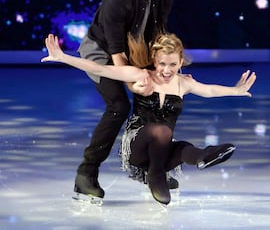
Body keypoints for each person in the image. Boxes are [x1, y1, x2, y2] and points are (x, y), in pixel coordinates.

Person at [41, 33, 256, 205]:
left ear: (181, 62)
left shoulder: (183, 83)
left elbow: (209, 90)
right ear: (155, 60)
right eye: (162, 64)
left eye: (173, 65)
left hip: (161, 151)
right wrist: (63, 57)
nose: (167, 70)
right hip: (136, 148)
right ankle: (156, 176)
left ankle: (203, 155)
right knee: (162, 131)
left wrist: (236, 90)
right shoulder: (141, 76)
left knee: (182, 147)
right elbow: (101, 68)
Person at [74, 0, 174, 200]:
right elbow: (116, 51)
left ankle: (146, 166)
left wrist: (167, 66)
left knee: (156, 97)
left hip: (137, 49)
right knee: (119, 106)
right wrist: (132, 83)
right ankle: (86, 173)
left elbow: (158, 35)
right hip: (101, 51)